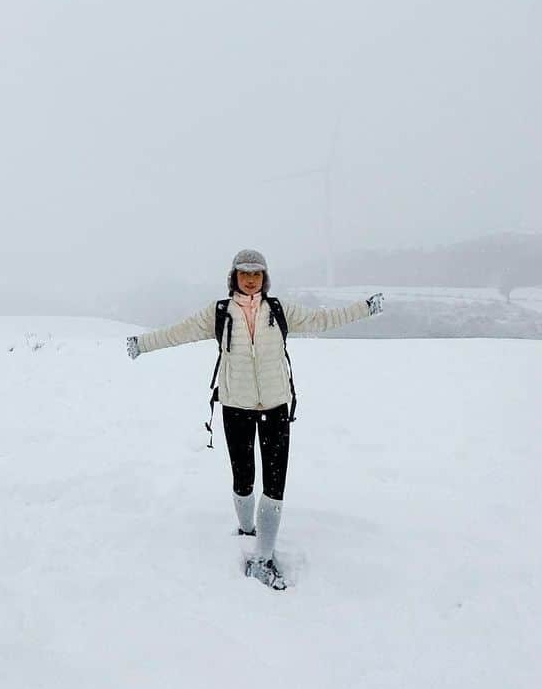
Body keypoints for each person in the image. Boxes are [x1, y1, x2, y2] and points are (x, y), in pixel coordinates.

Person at [126, 248, 383, 590]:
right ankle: (246, 530)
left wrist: (364, 308)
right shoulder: (219, 313)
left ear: (265, 278)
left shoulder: (279, 310)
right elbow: (178, 331)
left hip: (275, 408)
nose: (250, 279)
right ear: (234, 277)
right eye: (244, 273)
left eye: (257, 273)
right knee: (243, 479)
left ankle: (263, 558)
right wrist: (142, 344)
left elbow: (324, 319)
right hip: (236, 409)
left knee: (275, 485)